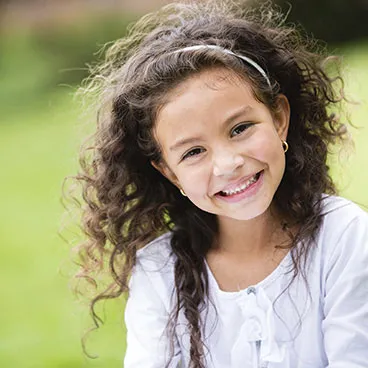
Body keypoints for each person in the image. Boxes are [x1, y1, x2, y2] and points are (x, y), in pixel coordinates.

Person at [73, 0, 368, 367]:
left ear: (278, 119)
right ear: (168, 171)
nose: (228, 164)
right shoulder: (159, 271)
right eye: (194, 152)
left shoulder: (343, 237)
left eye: (240, 129)